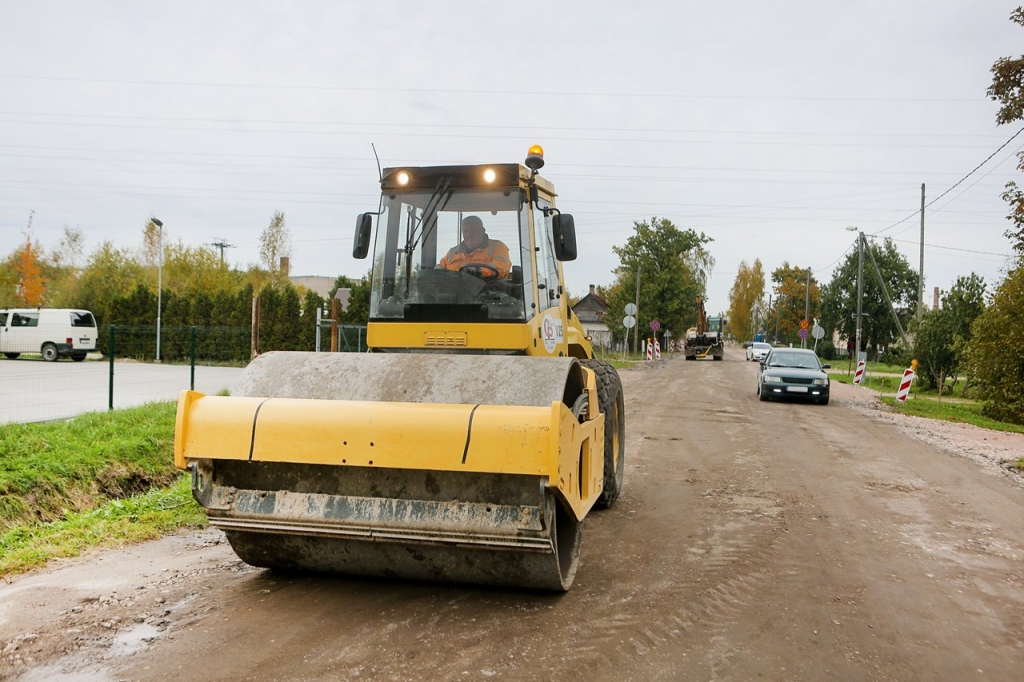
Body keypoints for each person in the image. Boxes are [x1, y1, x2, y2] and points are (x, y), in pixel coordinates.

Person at [438, 215, 512, 280]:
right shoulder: (453, 252)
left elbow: (501, 266)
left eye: (473, 231)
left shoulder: (497, 247)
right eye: (465, 231)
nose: (469, 234)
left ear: (482, 231)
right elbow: (439, 268)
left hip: (489, 292)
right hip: (455, 293)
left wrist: (480, 270)